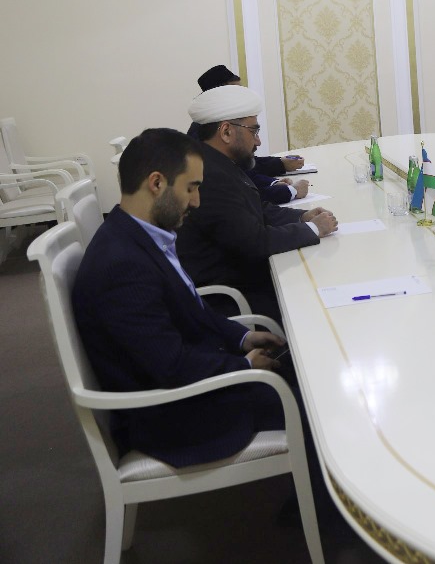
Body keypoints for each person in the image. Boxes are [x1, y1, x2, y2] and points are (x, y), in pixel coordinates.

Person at [72, 127, 289, 467]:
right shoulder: (121, 266)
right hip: (176, 418)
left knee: (300, 370)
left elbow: (189, 308)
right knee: (314, 402)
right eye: (191, 188)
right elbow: (170, 365)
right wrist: (244, 366)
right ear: (157, 183)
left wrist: (242, 337)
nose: (197, 201)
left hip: (193, 382)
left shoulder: (139, 234)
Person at [177, 85, 337, 321]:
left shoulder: (216, 162)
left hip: (244, 279)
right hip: (235, 297)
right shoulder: (210, 177)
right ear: (226, 132)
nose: (259, 141)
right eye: (254, 131)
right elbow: (255, 242)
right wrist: (313, 229)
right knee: (318, 303)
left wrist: (301, 217)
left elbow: (256, 208)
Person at [191, 64, 308, 205]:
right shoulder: (204, 139)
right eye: (237, 93)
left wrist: (276, 174)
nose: (258, 141)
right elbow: (240, 196)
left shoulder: (220, 130)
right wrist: (290, 191)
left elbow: (244, 169)